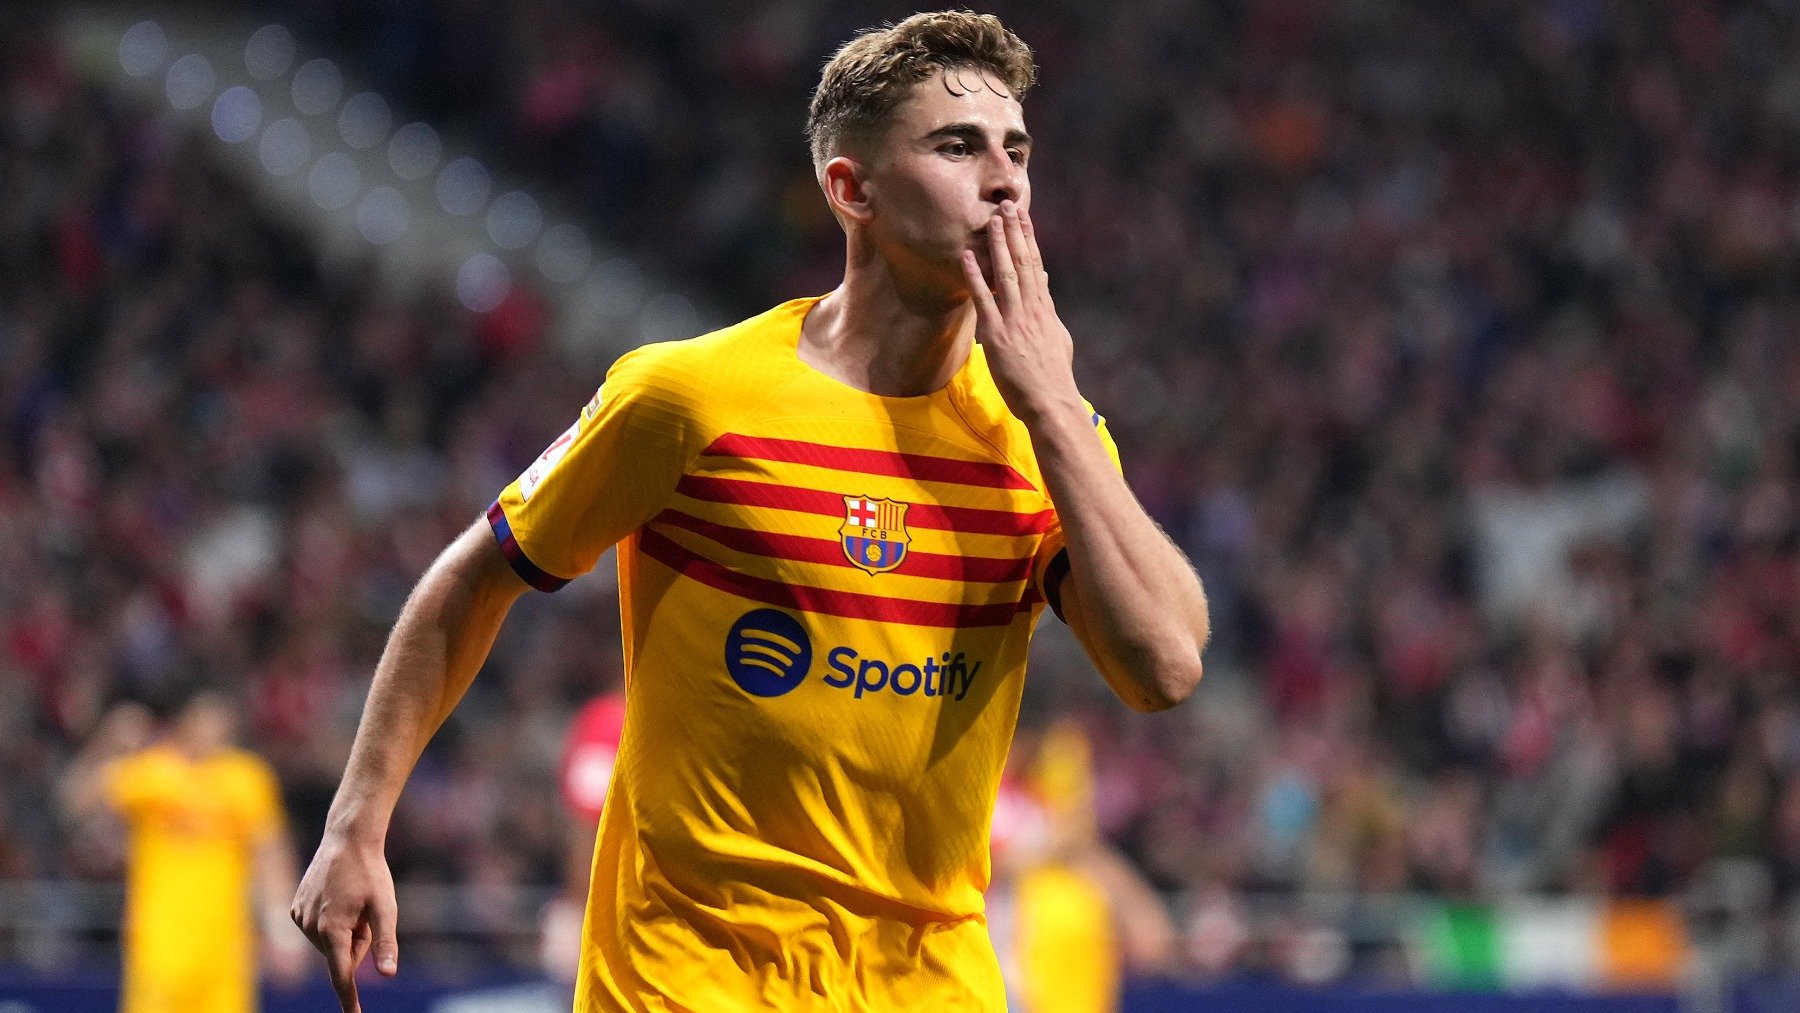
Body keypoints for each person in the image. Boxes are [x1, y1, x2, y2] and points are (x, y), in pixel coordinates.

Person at [291, 11, 1209, 1010]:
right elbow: (474, 577)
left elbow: (1163, 666)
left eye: (1016, 150)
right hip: (691, 974)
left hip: (928, 982)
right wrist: (356, 823)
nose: (1005, 180)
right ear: (850, 189)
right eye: (957, 145)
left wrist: (1056, 407)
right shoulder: (688, 398)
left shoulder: (1044, 437)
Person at [64, 691, 308, 1013]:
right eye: (207, 716)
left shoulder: (245, 779)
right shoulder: (152, 774)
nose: (215, 727)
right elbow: (75, 803)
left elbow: (271, 855)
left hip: (226, 952)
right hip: (159, 947)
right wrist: (108, 742)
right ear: (185, 720)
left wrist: (283, 931)